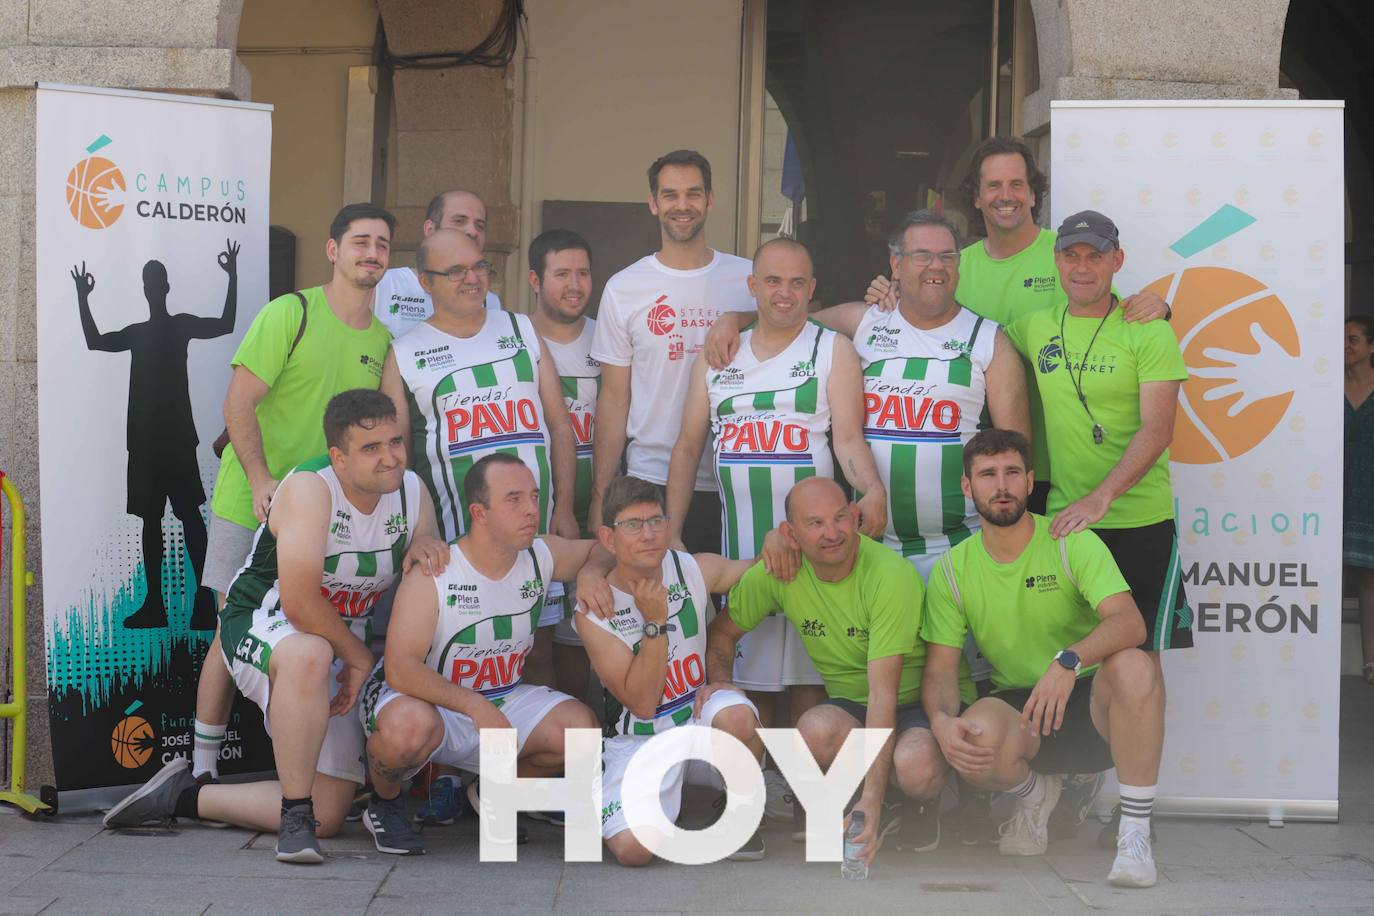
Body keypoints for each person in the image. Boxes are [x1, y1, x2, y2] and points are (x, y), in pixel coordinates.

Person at [103, 390, 448, 864]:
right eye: (371, 448)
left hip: (338, 638)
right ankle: (295, 815)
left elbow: (424, 538)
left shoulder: (411, 490)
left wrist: (427, 541)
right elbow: (300, 604)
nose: (389, 457)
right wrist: (358, 657)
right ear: (338, 457)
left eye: (395, 442)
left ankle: (183, 796)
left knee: (332, 814)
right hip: (264, 618)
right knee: (310, 653)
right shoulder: (311, 488)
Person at [707, 211, 1029, 580]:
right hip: (868, 550)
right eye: (921, 255)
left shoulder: (989, 340)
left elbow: (1017, 457)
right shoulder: (863, 322)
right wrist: (733, 319)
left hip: (960, 545)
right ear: (896, 265)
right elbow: (786, 320)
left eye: (947, 256)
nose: (935, 266)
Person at [193, 203, 397, 782]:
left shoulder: (383, 340)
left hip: (322, 521)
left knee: (304, 637)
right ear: (333, 250)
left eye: (382, 244)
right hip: (250, 504)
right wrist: (262, 480)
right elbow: (237, 402)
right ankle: (201, 770)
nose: (372, 253)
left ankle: (292, 778)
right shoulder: (292, 312)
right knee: (231, 634)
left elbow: (388, 433)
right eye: (360, 241)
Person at [860, 137, 1170, 514]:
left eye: (1017, 185)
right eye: (993, 185)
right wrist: (891, 291)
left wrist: (1161, 309)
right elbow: (917, 321)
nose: (1005, 196)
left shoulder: (1069, 256)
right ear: (976, 197)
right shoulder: (953, 266)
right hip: (982, 468)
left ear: (1033, 195)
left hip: (1060, 469)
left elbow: (1115, 320)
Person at [921, 428, 1165, 888]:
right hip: (1023, 712)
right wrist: (940, 722)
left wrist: (1069, 661)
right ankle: (1035, 795)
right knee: (971, 734)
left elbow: (1130, 623)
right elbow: (940, 670)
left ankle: (1134, 837)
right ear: (967, 487)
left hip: (1091, 703)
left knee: (1135, 665)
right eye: (988, 475)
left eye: (1012, 472)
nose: (1002, 485)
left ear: (1030, 481)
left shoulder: (1070, 540)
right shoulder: (953, 568)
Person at [665, 238, 886, 739]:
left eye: (796, 283)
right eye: (772, 281)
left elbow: (848, 440)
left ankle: (799, 780)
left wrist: (871, 487)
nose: (784, 293)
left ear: (812, 289)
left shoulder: (832, 349)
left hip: (814, 549)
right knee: (751, 679)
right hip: (740, 549)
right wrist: (673, 532)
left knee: (809, 680)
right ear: (752, 286)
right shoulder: (719, 354)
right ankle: (757, 774)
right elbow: (687, 448)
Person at [703, 477, 974, 862]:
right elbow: (722, 632)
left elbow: (883, 694)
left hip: (918, 703)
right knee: (811, 733)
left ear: (855, 516)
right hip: (854, 705)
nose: (832, 533)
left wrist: (870, 801)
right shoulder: (781, 569)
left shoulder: (889, 576)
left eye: (840, 517)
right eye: (815, 523)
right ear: (790, 533)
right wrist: (722, 686)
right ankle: (879, 795)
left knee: (915, 766)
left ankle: (910, 801)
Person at [357, 453, 603, 856]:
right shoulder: (437, 571)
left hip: (500, 699)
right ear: (479, 512)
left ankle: (494, 794)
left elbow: (603, 551)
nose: (531, 509)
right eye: (513, 499)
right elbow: (400, 669)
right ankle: (384, 804)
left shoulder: (542, 553)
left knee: (580, 731)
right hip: (427, 704)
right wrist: (474, 706)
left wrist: (590, 573)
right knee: (407, 728)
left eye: (534, 496)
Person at [576, 476, 766, 865]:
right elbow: (643, 704)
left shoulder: (692, 568)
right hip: (642, 741)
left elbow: (762, 570)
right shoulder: (594, 611)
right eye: (633, 525)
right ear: (609, 538)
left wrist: (778, 543)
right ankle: (612, 790)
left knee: (736, 714)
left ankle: (741, 814)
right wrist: (654, 622)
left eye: (656, 521)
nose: (648, 534)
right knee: (633, 851)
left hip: (695, 719)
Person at [589, 149, 755, 549]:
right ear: (653, 203)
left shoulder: (748, 278)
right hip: (651, 478)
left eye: (693, 193)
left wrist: (738, 317)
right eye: (670, 195)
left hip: (733, 476)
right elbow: (614, 398)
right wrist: (600, 494)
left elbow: (798, 321)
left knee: (733, 589)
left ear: (710, 200)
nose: (682, 205)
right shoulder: (624, 288)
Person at [73, 241, 239, 630]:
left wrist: (232, 275)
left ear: (161, 288)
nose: (151, 287)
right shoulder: (146, 331)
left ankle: (202, 603)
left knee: (188, 518)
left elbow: (225, 324)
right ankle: (158, 605)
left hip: (171, 440)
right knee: (157, 519)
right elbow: (96, 341)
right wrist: (82, 297)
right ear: (152, 289)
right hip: (149, 442)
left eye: (154, 282)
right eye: (149, 282)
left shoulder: (173, 326)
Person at [528, 228, 600, 705]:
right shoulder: (516, 337)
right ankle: (539, 735)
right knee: (534, 643)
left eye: (583, 273)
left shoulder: (606, 335)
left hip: (594, 513)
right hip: (534, 513)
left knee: (582, 638)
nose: (575, 285)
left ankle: (575, 736)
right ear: (535, 280)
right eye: (561, 274)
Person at [374, 189, 500, 336]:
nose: (472, 231)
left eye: (480, 225)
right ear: (430, 229)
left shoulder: (490, 301)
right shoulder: (384, 285)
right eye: (459, 221)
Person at [1344, 316, 1374, 685]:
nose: (1346, 346)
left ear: (1371, 347)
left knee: (1369, 579)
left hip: (1369, 492)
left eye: (1353, 339)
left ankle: (1371, 662)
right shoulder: (1327, 385)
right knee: (1327, 574)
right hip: (1329, 490)